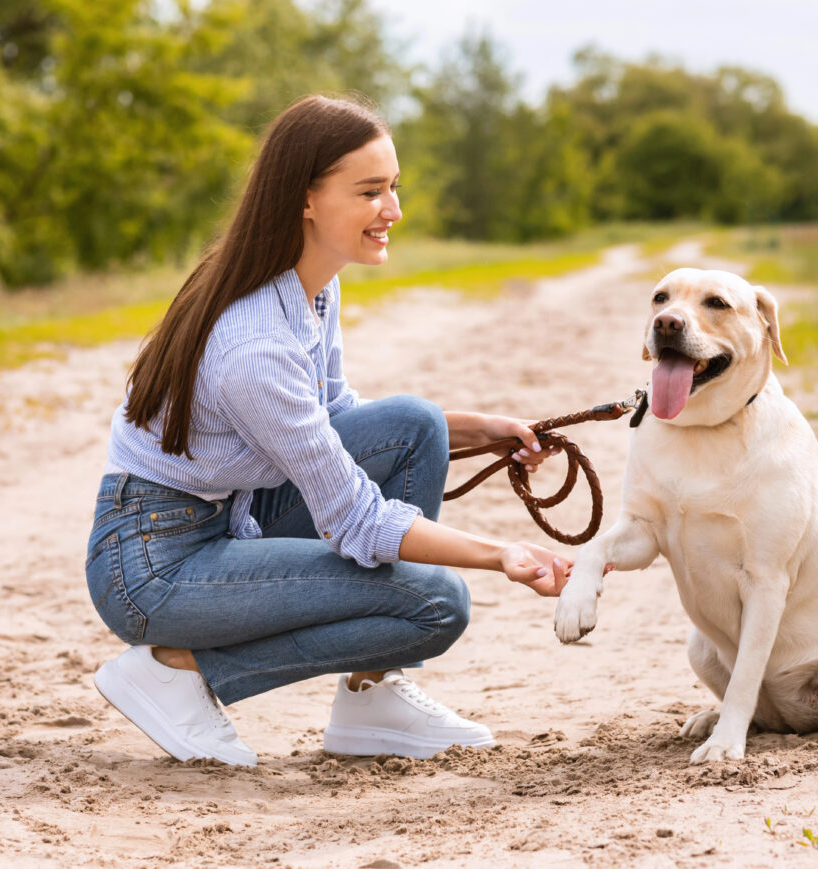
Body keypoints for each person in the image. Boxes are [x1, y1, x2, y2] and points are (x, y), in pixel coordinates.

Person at [85, 95, 570, 768]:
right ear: (305, 199)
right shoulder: (255, 342)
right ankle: (177, 667)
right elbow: (355, 518)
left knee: (414, 425)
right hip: (155, 565)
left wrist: (476, 431)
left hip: (228, 519)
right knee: (434, 601)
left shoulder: (309, 285)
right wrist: (499, 553)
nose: (393, 210)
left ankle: (372, 695)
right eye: (370, 191)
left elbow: (334, 422)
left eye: (393, 187)